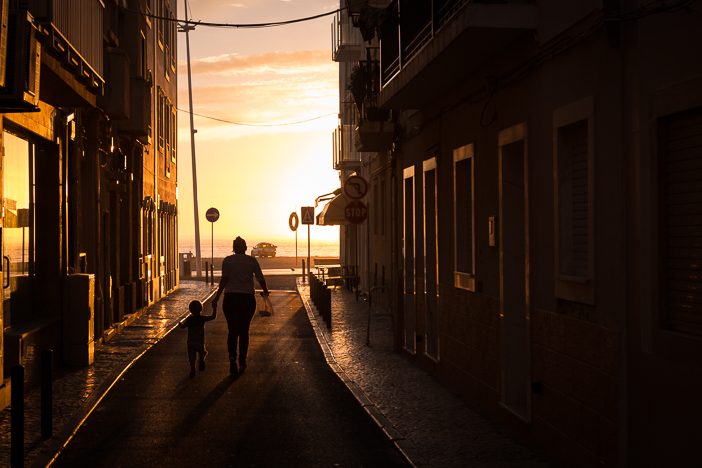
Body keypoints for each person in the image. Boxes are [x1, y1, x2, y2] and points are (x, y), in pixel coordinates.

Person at [212, 236, 269, 377]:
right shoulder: (251, 261)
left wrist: (217, 297)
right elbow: (260, 278)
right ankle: (242, 360)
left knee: (232, 330)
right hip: (247, 298)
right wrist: (265, 291)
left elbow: (224, 280)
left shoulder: (227, 261)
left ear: (233, 248)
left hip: (230, 298)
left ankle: (232, 358)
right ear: (245, 248)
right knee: (244, 330)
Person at [178, 299, 217, 378]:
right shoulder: (202, 318)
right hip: (200, 341)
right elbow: (213, 317)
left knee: (192, 357)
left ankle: (193, 370)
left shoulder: (189, 319)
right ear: (201, 309)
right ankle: (201, 359)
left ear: (190, 309)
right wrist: (215, 308)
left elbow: (183, 326)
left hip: (191, 342)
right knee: (202, 352)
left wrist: (179, 324)